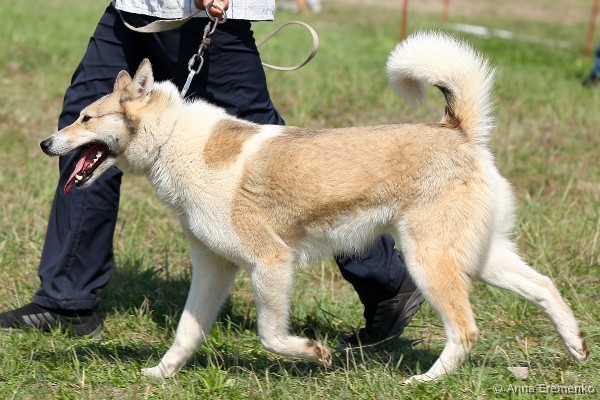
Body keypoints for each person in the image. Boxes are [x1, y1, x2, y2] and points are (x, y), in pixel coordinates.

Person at [0, 0, 423, 347]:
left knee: (273, 149)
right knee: (87, 133)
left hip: (206, 13)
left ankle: (387, 281)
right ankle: (67, 299)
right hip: (131, 10)